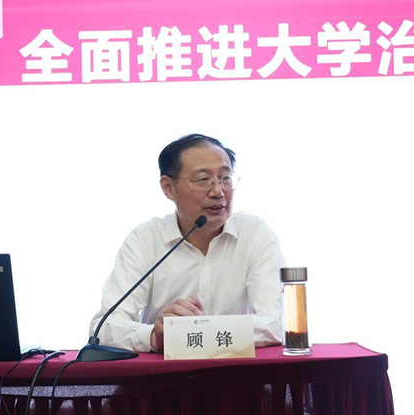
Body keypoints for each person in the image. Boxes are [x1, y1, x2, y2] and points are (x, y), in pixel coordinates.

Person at [90, 133, 285, 353]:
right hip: (164, 374)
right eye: (203, 180)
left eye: (225, 178)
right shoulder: (145, 240)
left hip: (236, 372)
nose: (218, 191)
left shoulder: (254, 233)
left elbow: (277, 322)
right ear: (168, 187)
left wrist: (191, 333)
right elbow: (104, 326)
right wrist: (153, 335)